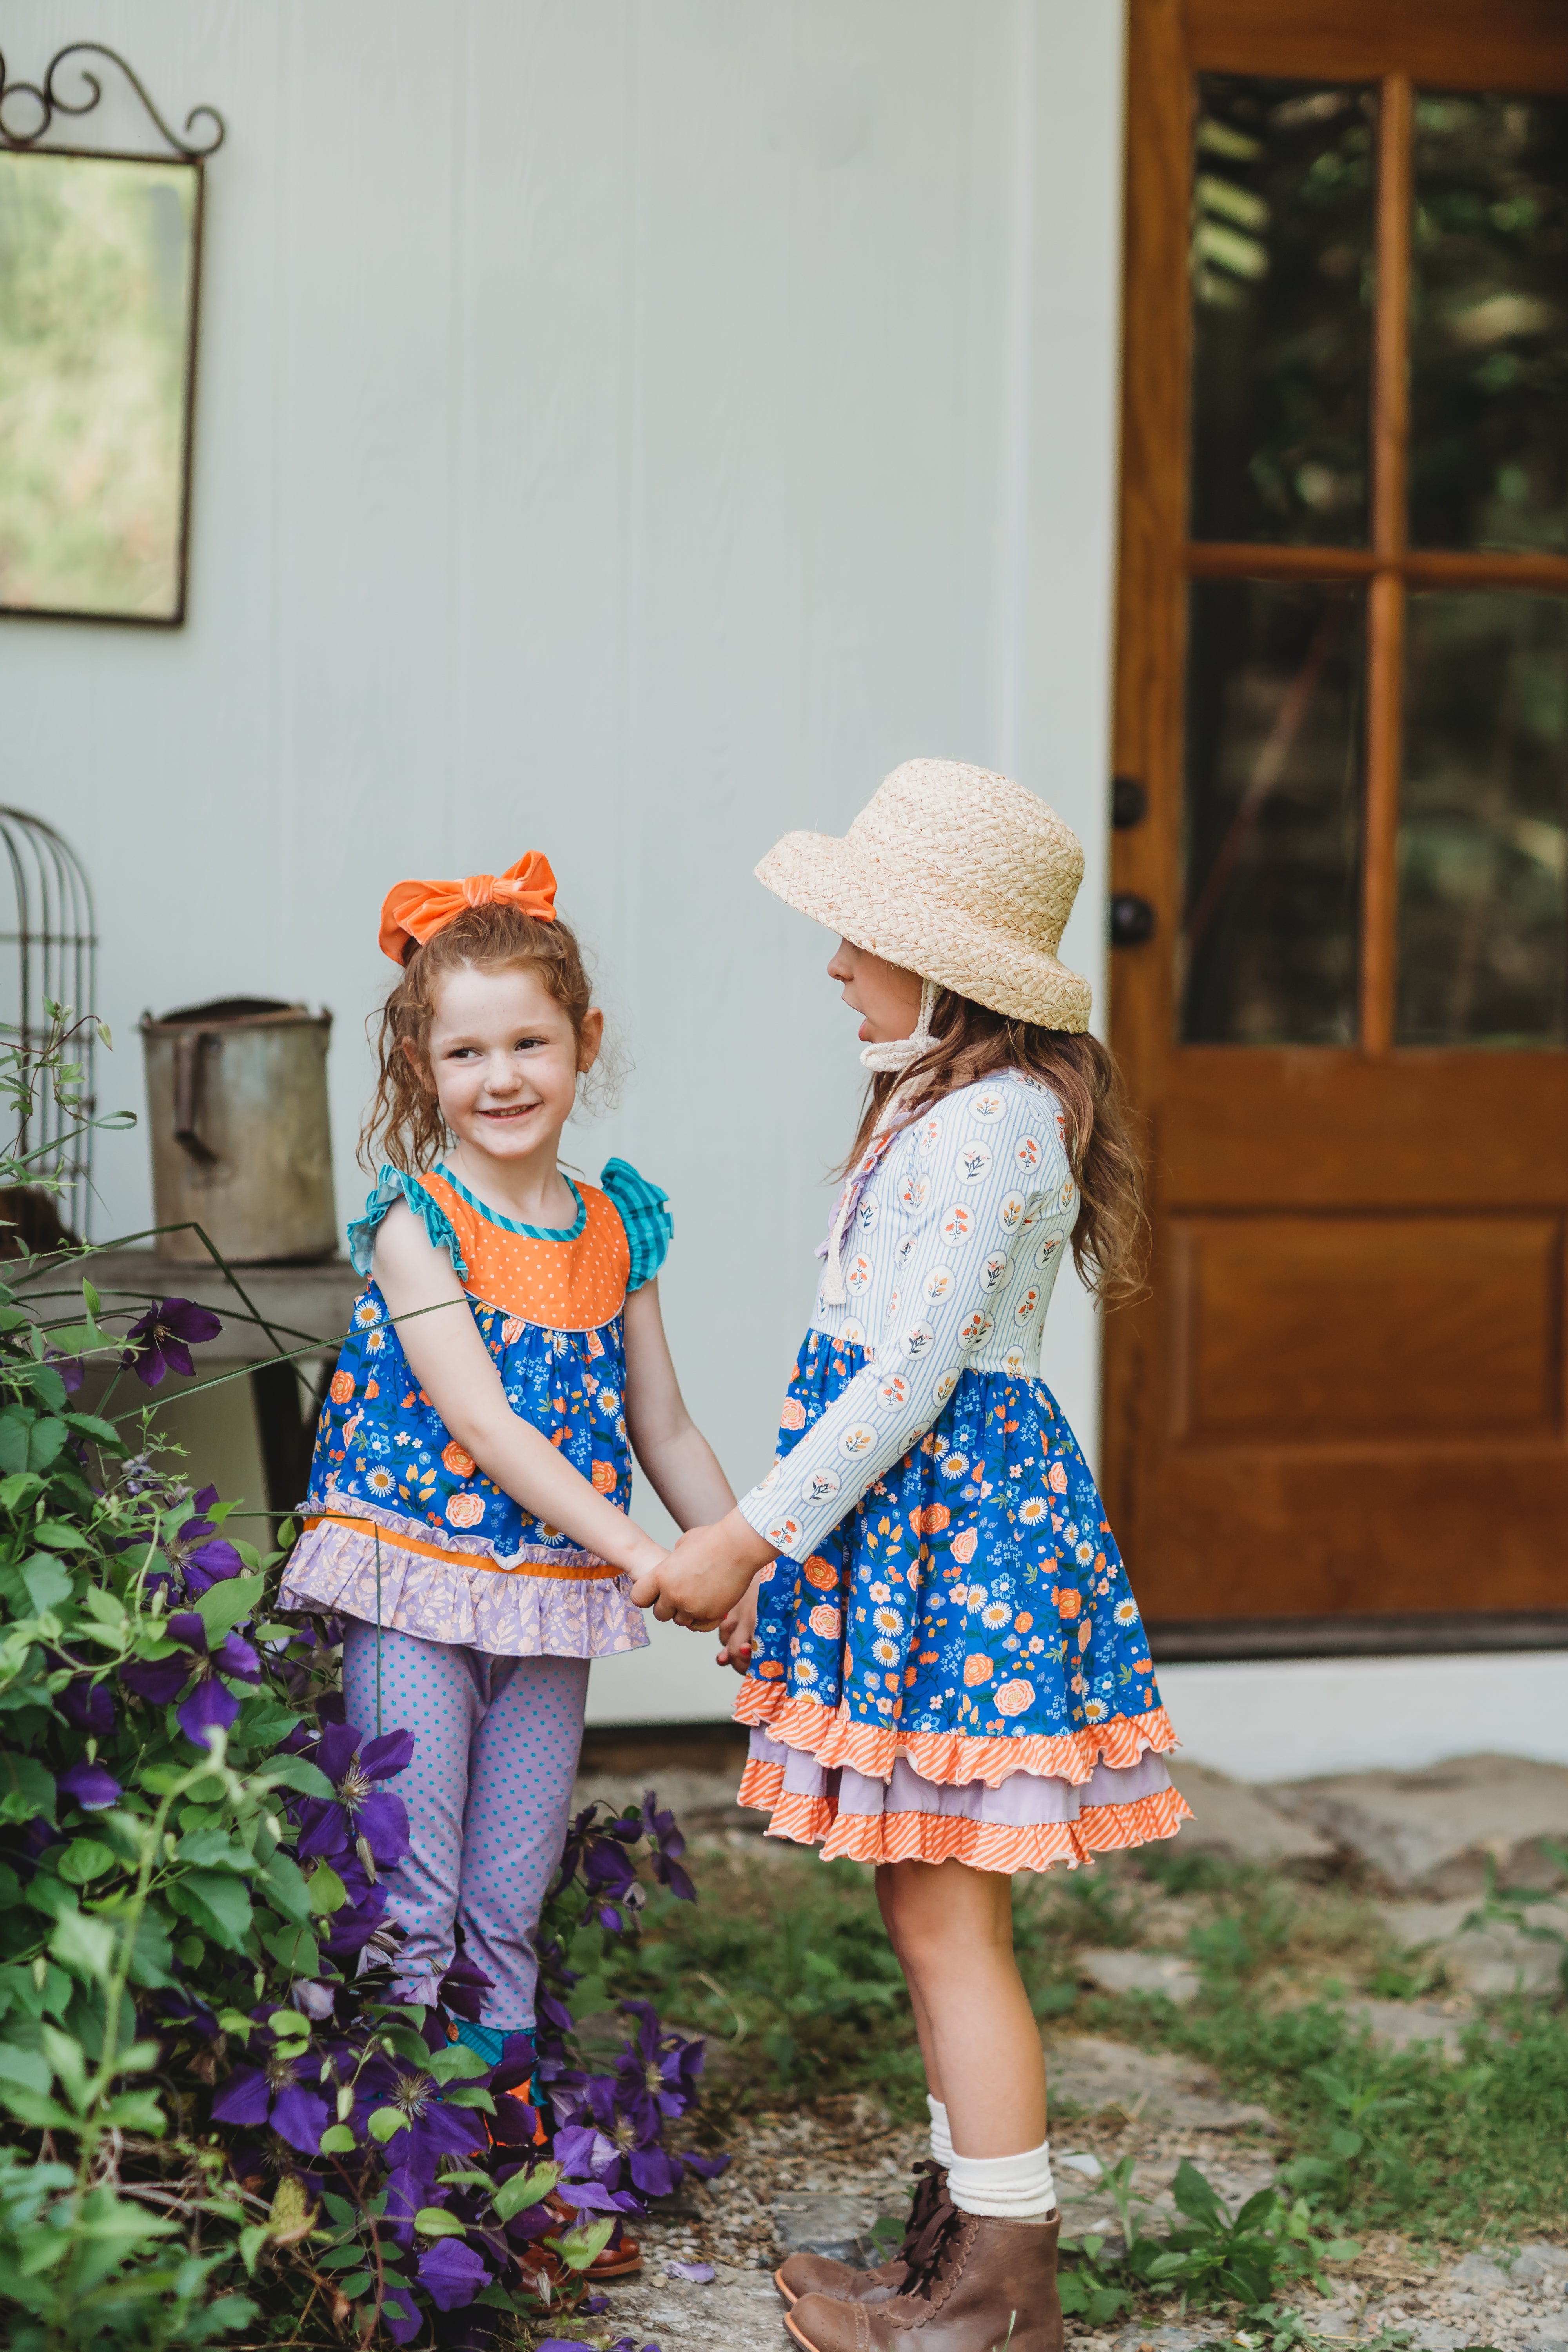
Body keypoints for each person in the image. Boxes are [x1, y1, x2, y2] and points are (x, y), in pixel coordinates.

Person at [634, 760, 1192, 2352]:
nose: (831, 964)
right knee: (921, 1911)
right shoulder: (942, 1104)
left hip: (965, 1560)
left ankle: (1003, 2298)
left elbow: (904, 1383)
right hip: (913, 1546)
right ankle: (957, 2254)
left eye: (857, 935)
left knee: (952, 1922)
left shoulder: (996, 1126)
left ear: (945, 965)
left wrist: (744, 1539)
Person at [280, 853, 734, 2109]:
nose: (502, 1079)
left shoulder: (616, 1229)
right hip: (415, 1582)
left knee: (506, 1899)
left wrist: (742, 1563)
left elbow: (670, 1427)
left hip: (547, 1603)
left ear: (585, 1041)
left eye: (530, 1042)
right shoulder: (415, 1220)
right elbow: (480, 1420)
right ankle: (393, 2162)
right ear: (422, 1066)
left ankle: (497, 2168)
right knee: (411, 1897)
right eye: (466, 1054)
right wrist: (646, 1558)